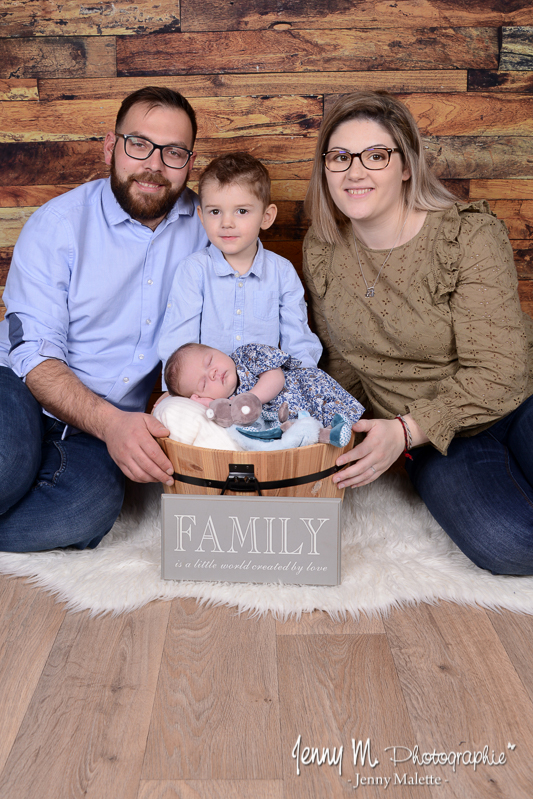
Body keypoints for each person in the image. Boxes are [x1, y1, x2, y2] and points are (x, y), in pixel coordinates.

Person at [302, 89, 533, 575]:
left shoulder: (466, 235)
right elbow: (344, 365)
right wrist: (349, 433)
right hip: (433, 440)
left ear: (406, 166)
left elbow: (502, 372)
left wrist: (403, 430)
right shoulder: (322, 248)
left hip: (516, 403)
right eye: (340, 157)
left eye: (376, 156)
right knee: (509, 542)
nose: (354, 172)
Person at [0, 86, 209, 552]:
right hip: (18, 388)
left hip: (100, 426)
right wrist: (112, 424)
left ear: (189, 162)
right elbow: (32, 354)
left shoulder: (209, 227)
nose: (154, 165)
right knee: (7, 464)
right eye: (139, 144)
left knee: (86, 510)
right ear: (110, 147)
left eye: (173, 152)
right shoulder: (58, 225)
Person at [158, 152, 322, 373]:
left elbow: (299, 340)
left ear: (266, 217)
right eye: (215, 211)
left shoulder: (282, 272)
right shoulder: (194, 270)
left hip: (264, 390)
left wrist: (304, 386)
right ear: (202, 216)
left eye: (241, 211)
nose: (226, 223)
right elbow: (178, 342)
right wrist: (178, 391)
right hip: (208, 388)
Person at [163, 341, 365, 446]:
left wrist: (251, 399)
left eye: (209, 361)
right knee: (301, 436)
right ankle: (320, 437)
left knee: (331, 414)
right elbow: (210, 410)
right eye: (204, 382)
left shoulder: (246, 355)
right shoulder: (226, 404)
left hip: (308, 391)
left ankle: (335, 430)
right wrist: (206, 402)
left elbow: (276, 377)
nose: (213, 372)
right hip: (288, 422)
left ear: (217, 349)